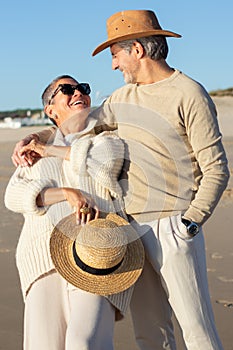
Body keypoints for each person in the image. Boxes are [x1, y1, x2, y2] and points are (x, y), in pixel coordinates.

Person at [11, 10, 230, 350]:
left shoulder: (189, 93)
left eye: (116, 55)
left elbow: (217, 168)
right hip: (130, 232)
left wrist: (190, 222)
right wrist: (33, 137)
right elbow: (75, 122)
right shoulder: (122, 99)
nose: (114, 65)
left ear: (138, 50)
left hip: (175, 226)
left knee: (197, 330)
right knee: (151, 334)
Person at [4, 74, 136, 350]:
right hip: (42, 258)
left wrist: (46, 148)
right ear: (50, 110)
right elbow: (13, 196)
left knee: (84, 343)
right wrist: (65, 193)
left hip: (98, 256)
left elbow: (102, 164)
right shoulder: (31, 155)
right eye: (67, 89)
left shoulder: (106, 139)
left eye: (83, 88)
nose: (78, 92)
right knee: (45, 345)